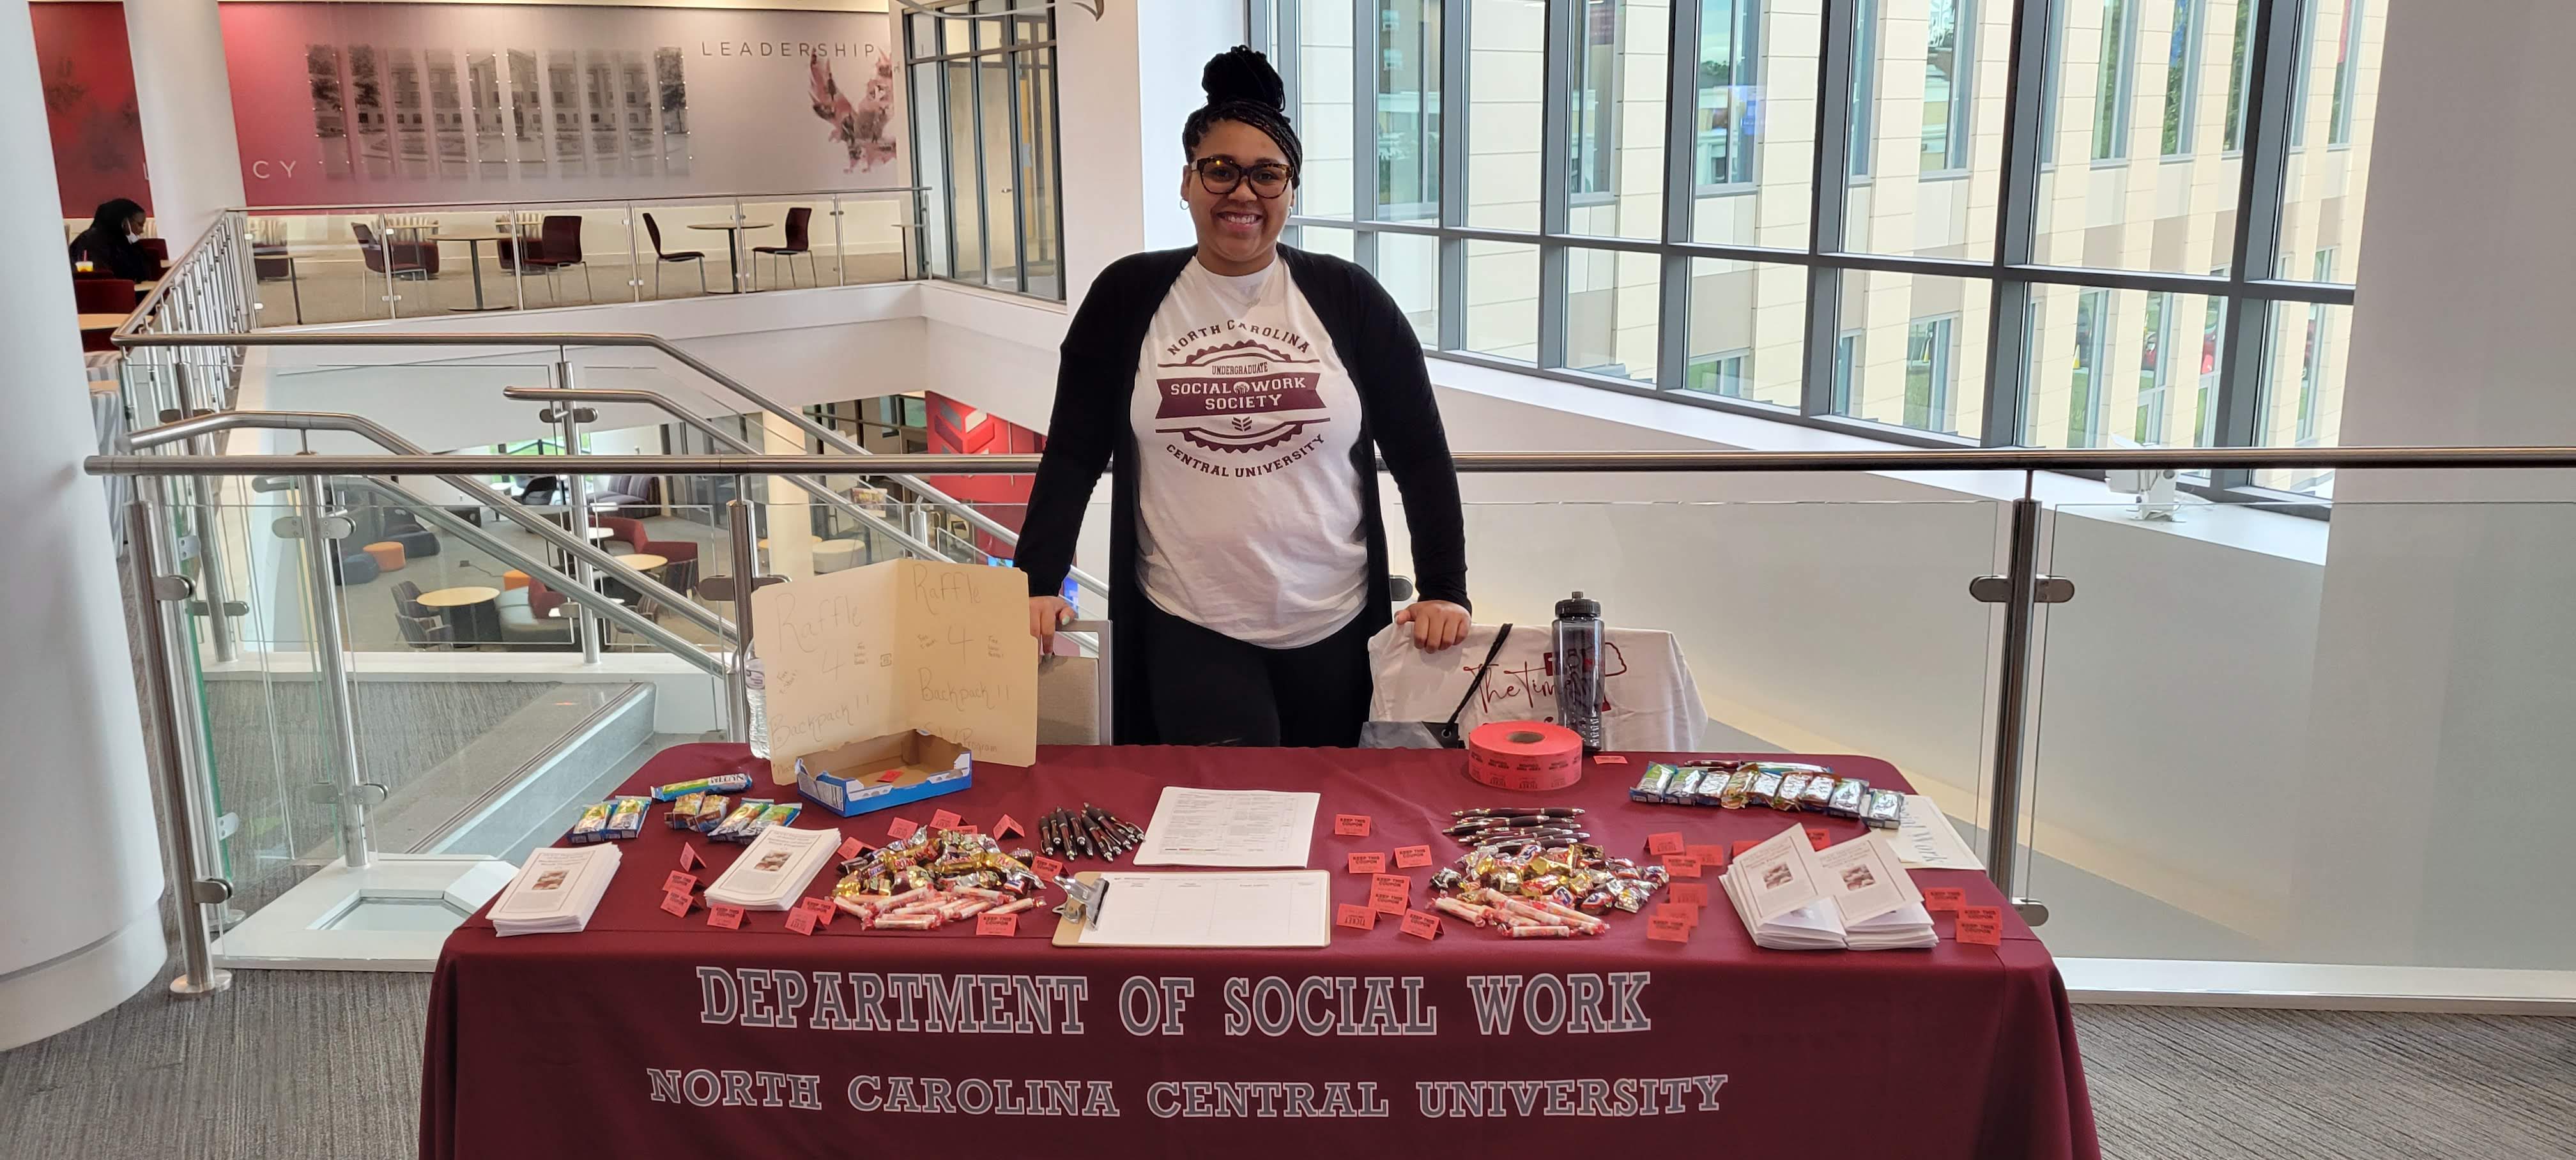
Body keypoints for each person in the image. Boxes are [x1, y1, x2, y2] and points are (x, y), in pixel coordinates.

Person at [1013, 46, 1472, 749]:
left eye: (1267, 174)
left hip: (1337, 622)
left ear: (1292, 189)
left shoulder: (1348, 298)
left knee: (1331, 820)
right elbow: (1073, 452)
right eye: (1220, 170)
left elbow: (1419, 454)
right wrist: (1035, 583)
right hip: (1189, 623)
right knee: (1227, 814)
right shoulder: (1128, 297)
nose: (1243, 193)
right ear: (1187, 181)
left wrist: (1445, 587)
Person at [68, 198, 156, 282]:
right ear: (125, 222)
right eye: (140, 225)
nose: (142, 231)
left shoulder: (123, 242)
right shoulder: (91, 242)